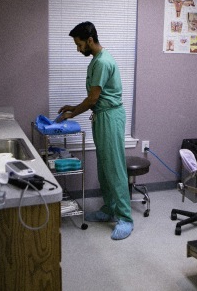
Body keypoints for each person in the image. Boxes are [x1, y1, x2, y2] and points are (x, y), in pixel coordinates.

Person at [57, 21, 133, 240]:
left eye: (79, 44)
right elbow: (92, 97)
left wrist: (72, 115)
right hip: (102, 117)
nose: (78, 49)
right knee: (104, 167)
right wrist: (73, 107)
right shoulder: (96, 60)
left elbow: (93, 99)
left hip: (110, 117)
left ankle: (125, 218)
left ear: (90, 40)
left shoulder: (102, 62)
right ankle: (109, 208)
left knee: (115, 168)